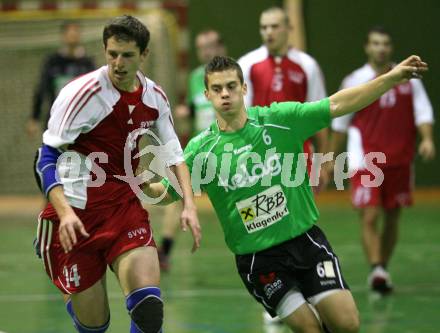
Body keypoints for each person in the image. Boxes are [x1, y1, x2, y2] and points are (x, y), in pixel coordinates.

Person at [145, 54, 428, 332]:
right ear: (207, 95)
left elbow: (338, 103)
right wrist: (142, 184)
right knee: (308, 328)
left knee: (347, 322)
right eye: (217, 89)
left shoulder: (279, 120)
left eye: (231, 86)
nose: (225, 94)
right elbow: (169, 192)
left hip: (305, 243)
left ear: (244, 88)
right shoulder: (201, 150)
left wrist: (391, 78)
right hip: (260, 259)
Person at [33, 15, 201, 333]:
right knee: (95, 326)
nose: (118, 63)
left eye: (127, 55)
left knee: (149, 311)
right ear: (104, 51)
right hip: (75, 219)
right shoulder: (80, 95)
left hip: (123, 209)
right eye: (112, 54)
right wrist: (65, 213)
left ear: (144, 55)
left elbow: (175, 155)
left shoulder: (154, 97)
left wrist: (189, 206)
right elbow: (45, 157)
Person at [329, 26, 435, 295]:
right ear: (367, 47)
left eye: (385, 43)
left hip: (400, 159)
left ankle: (381, 268)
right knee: (370, 214)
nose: (381, 48)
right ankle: (376, 267)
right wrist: (330, 157)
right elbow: (340, 122)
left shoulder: (409, 78)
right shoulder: (355, 80)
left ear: (391, 47)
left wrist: (427, 139)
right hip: (367, 160)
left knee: (392, 216)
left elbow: (423, 112)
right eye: (375, 43)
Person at [238, 6, 329, 192]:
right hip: (260, 152)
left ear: (289, 28)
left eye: (274, 26)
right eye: (264, 27)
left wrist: (323, 162)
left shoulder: (307, 65)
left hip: (298, 152)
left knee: (301, 218)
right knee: (261, 216)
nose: (268, 32)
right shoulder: (247, 64)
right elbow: (240, 116)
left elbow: (319, 116)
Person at [158, 29, 226, 271]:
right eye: (201, 47)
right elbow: (195, 107)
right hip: (202, 151)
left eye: (210, 46)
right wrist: (186, 113)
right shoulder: (196, 76)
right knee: (176, 190)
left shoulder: (232, 75)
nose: (205, 52)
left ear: (221, 48)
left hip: (228, 150)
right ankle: (163, 251)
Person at [27, 21, 95, 138]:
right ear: (63, 36)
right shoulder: (52, 62)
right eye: (70, 33)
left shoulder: (88, 64)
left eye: (75, 32)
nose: (72, 36)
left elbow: (95, 94)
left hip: (81, 125)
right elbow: (41, 89)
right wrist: (35, 117)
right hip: (55, 122)